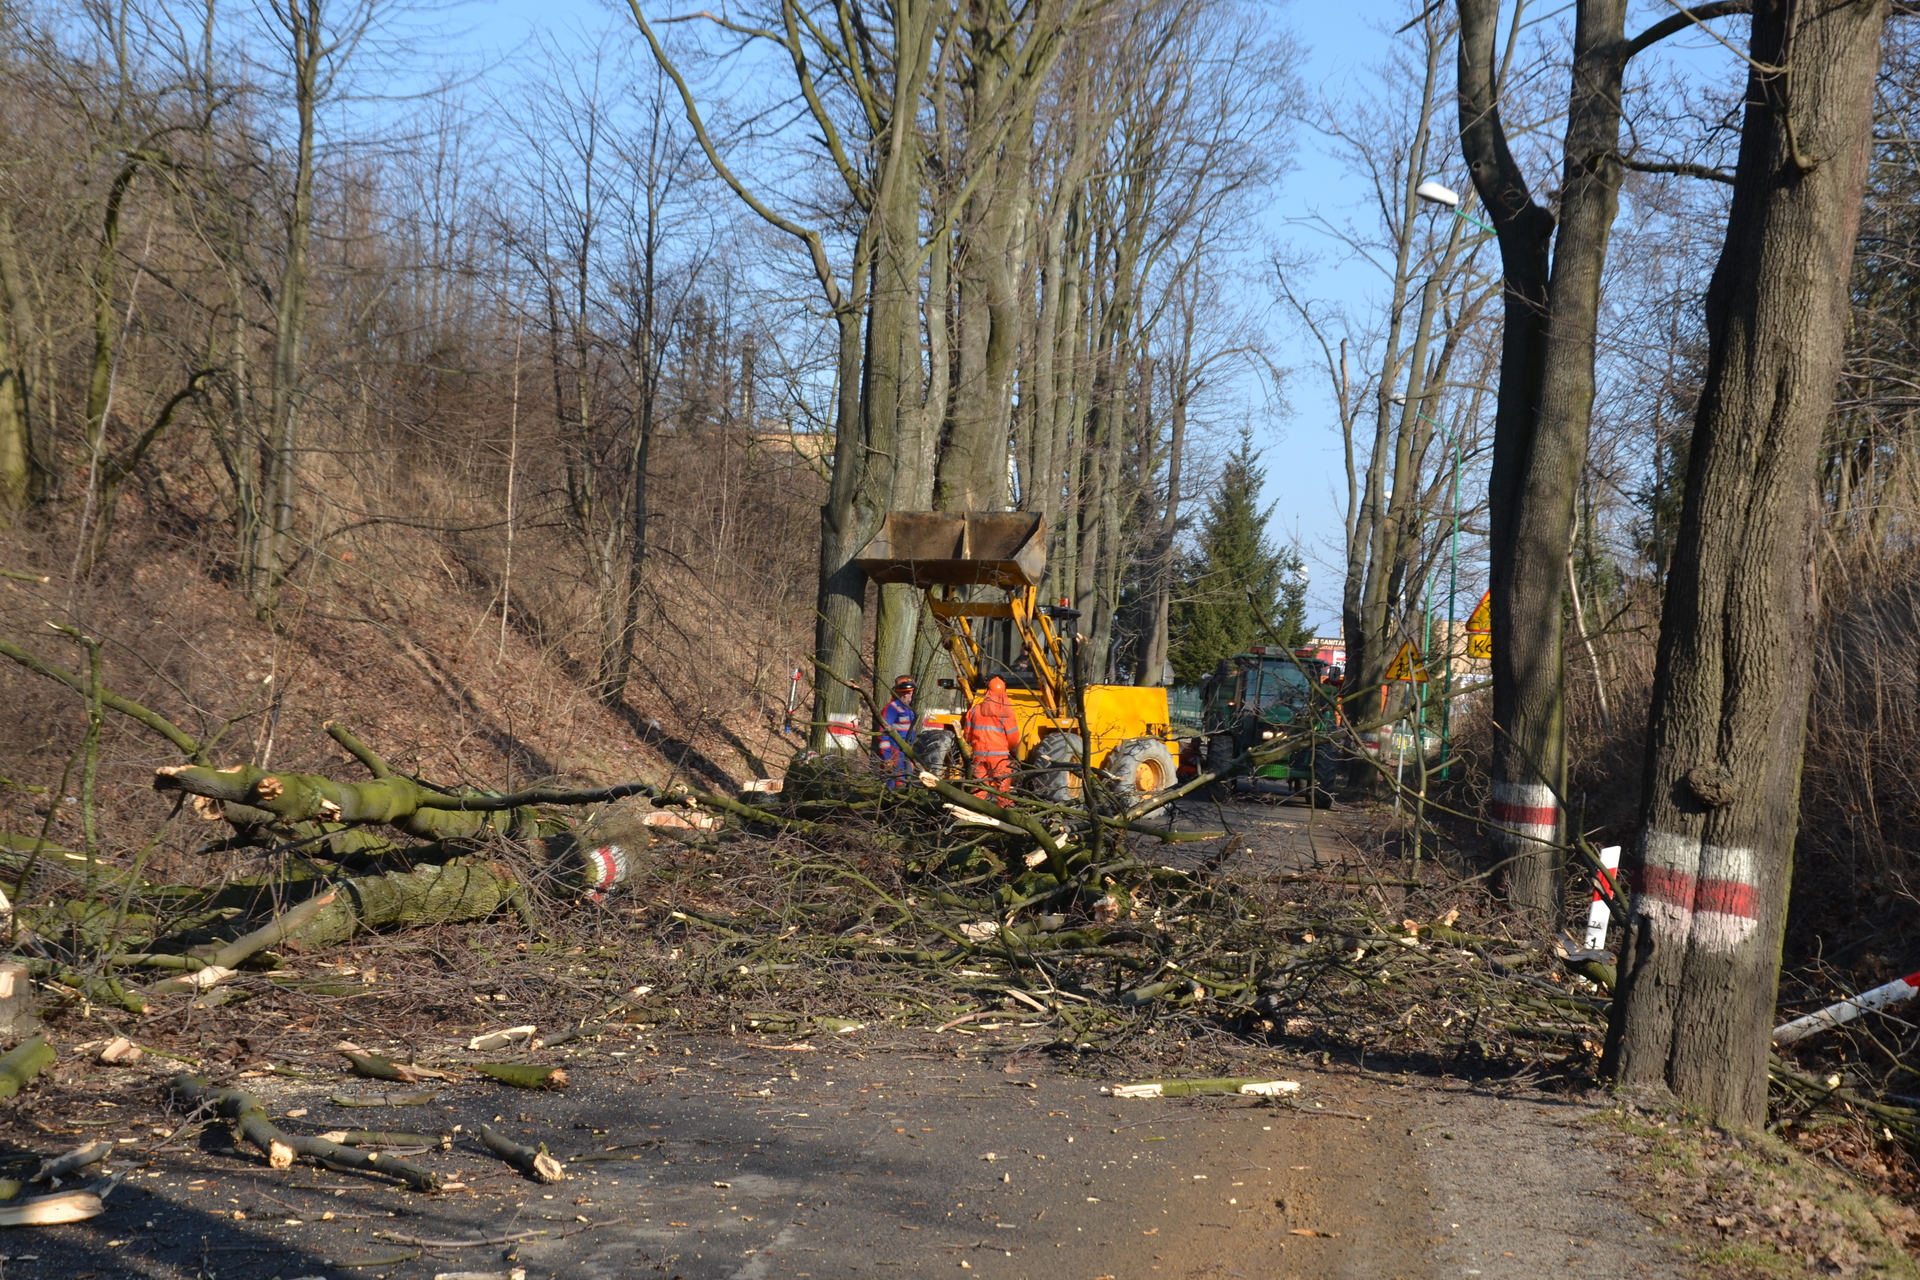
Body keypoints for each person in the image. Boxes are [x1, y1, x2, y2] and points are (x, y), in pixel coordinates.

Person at [963, 675, 1020, 806]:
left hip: (979, 756)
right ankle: (1006, 821)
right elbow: (1013, 737)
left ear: (986, 691)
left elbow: (967, 734)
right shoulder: (1007, 713)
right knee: (1003, 792)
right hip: (999, 759)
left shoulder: (975, 710)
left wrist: (972, 747)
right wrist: (1014, 752)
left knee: (978, 790)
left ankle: (973, 817)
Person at [876, 676, 918, 786]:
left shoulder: (909, 710)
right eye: (902, 692)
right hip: (894, 751)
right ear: (896, 692)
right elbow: (883, 735)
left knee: (906, 781)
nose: (906, 695)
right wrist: (887, 758)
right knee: (895, 782)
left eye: (908, 692)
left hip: (906, 752)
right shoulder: (892, 708)